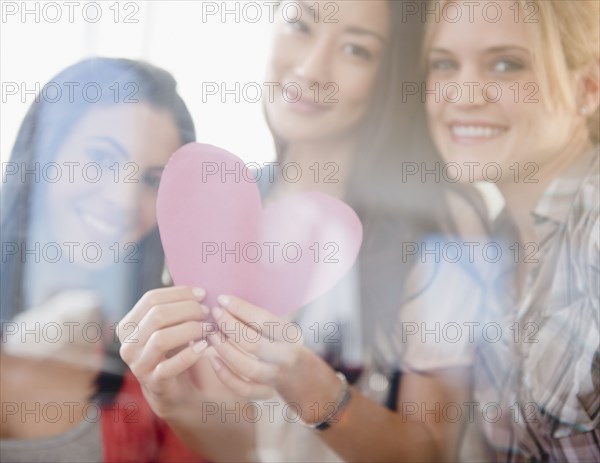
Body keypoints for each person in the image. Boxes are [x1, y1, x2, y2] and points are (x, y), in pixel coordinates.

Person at [118, 1, 478, 461]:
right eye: (299, 25)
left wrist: (306, 380)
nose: (311, 69)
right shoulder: (219, 213)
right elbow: (250, 452)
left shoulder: (442, 226)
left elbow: (432, 452)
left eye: (355, 49)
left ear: (392, 74)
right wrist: (177, 402)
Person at [0, 57, 202, 462]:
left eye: (150, 181)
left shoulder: (165, 350)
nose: (122, 199)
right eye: (102, 160)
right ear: (44, 151)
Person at [422, 0, 599, 460]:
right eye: (443, 64)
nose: (464, 94)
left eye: (505, 64)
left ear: (590, 86)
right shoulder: (488, 245)